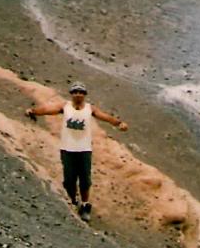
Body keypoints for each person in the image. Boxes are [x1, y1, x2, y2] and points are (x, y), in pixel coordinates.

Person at [26, 82, 128, 222]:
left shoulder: (89, 108)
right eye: (75, 92)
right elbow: (48, 109)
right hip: (67, 149)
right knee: (69, 180)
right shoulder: (65, 106)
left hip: (84, 150)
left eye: (81, 92)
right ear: (71, 94)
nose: (78, 94)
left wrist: (118, 123)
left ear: (85, 94)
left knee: (85, 179)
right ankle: (73, 201)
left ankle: (85, 205)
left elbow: (105, 116)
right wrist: (34, 111)